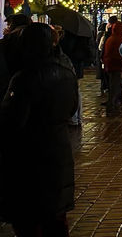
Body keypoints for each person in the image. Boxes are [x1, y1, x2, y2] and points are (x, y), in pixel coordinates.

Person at [0, 22, 78, 236]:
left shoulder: (24, 78)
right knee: (55, 219)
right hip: (59, 150)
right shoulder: (66, 73)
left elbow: (12, 121)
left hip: (29, 156)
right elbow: (72, 109)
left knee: (29, 219)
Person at [103, 20, 122, 116]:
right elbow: (119, 54)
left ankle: (114, 101)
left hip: (111, 64)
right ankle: (112, 103)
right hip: (116, 65)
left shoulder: (111, 38)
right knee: (115, 84)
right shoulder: (118, 40)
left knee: (114, 84)